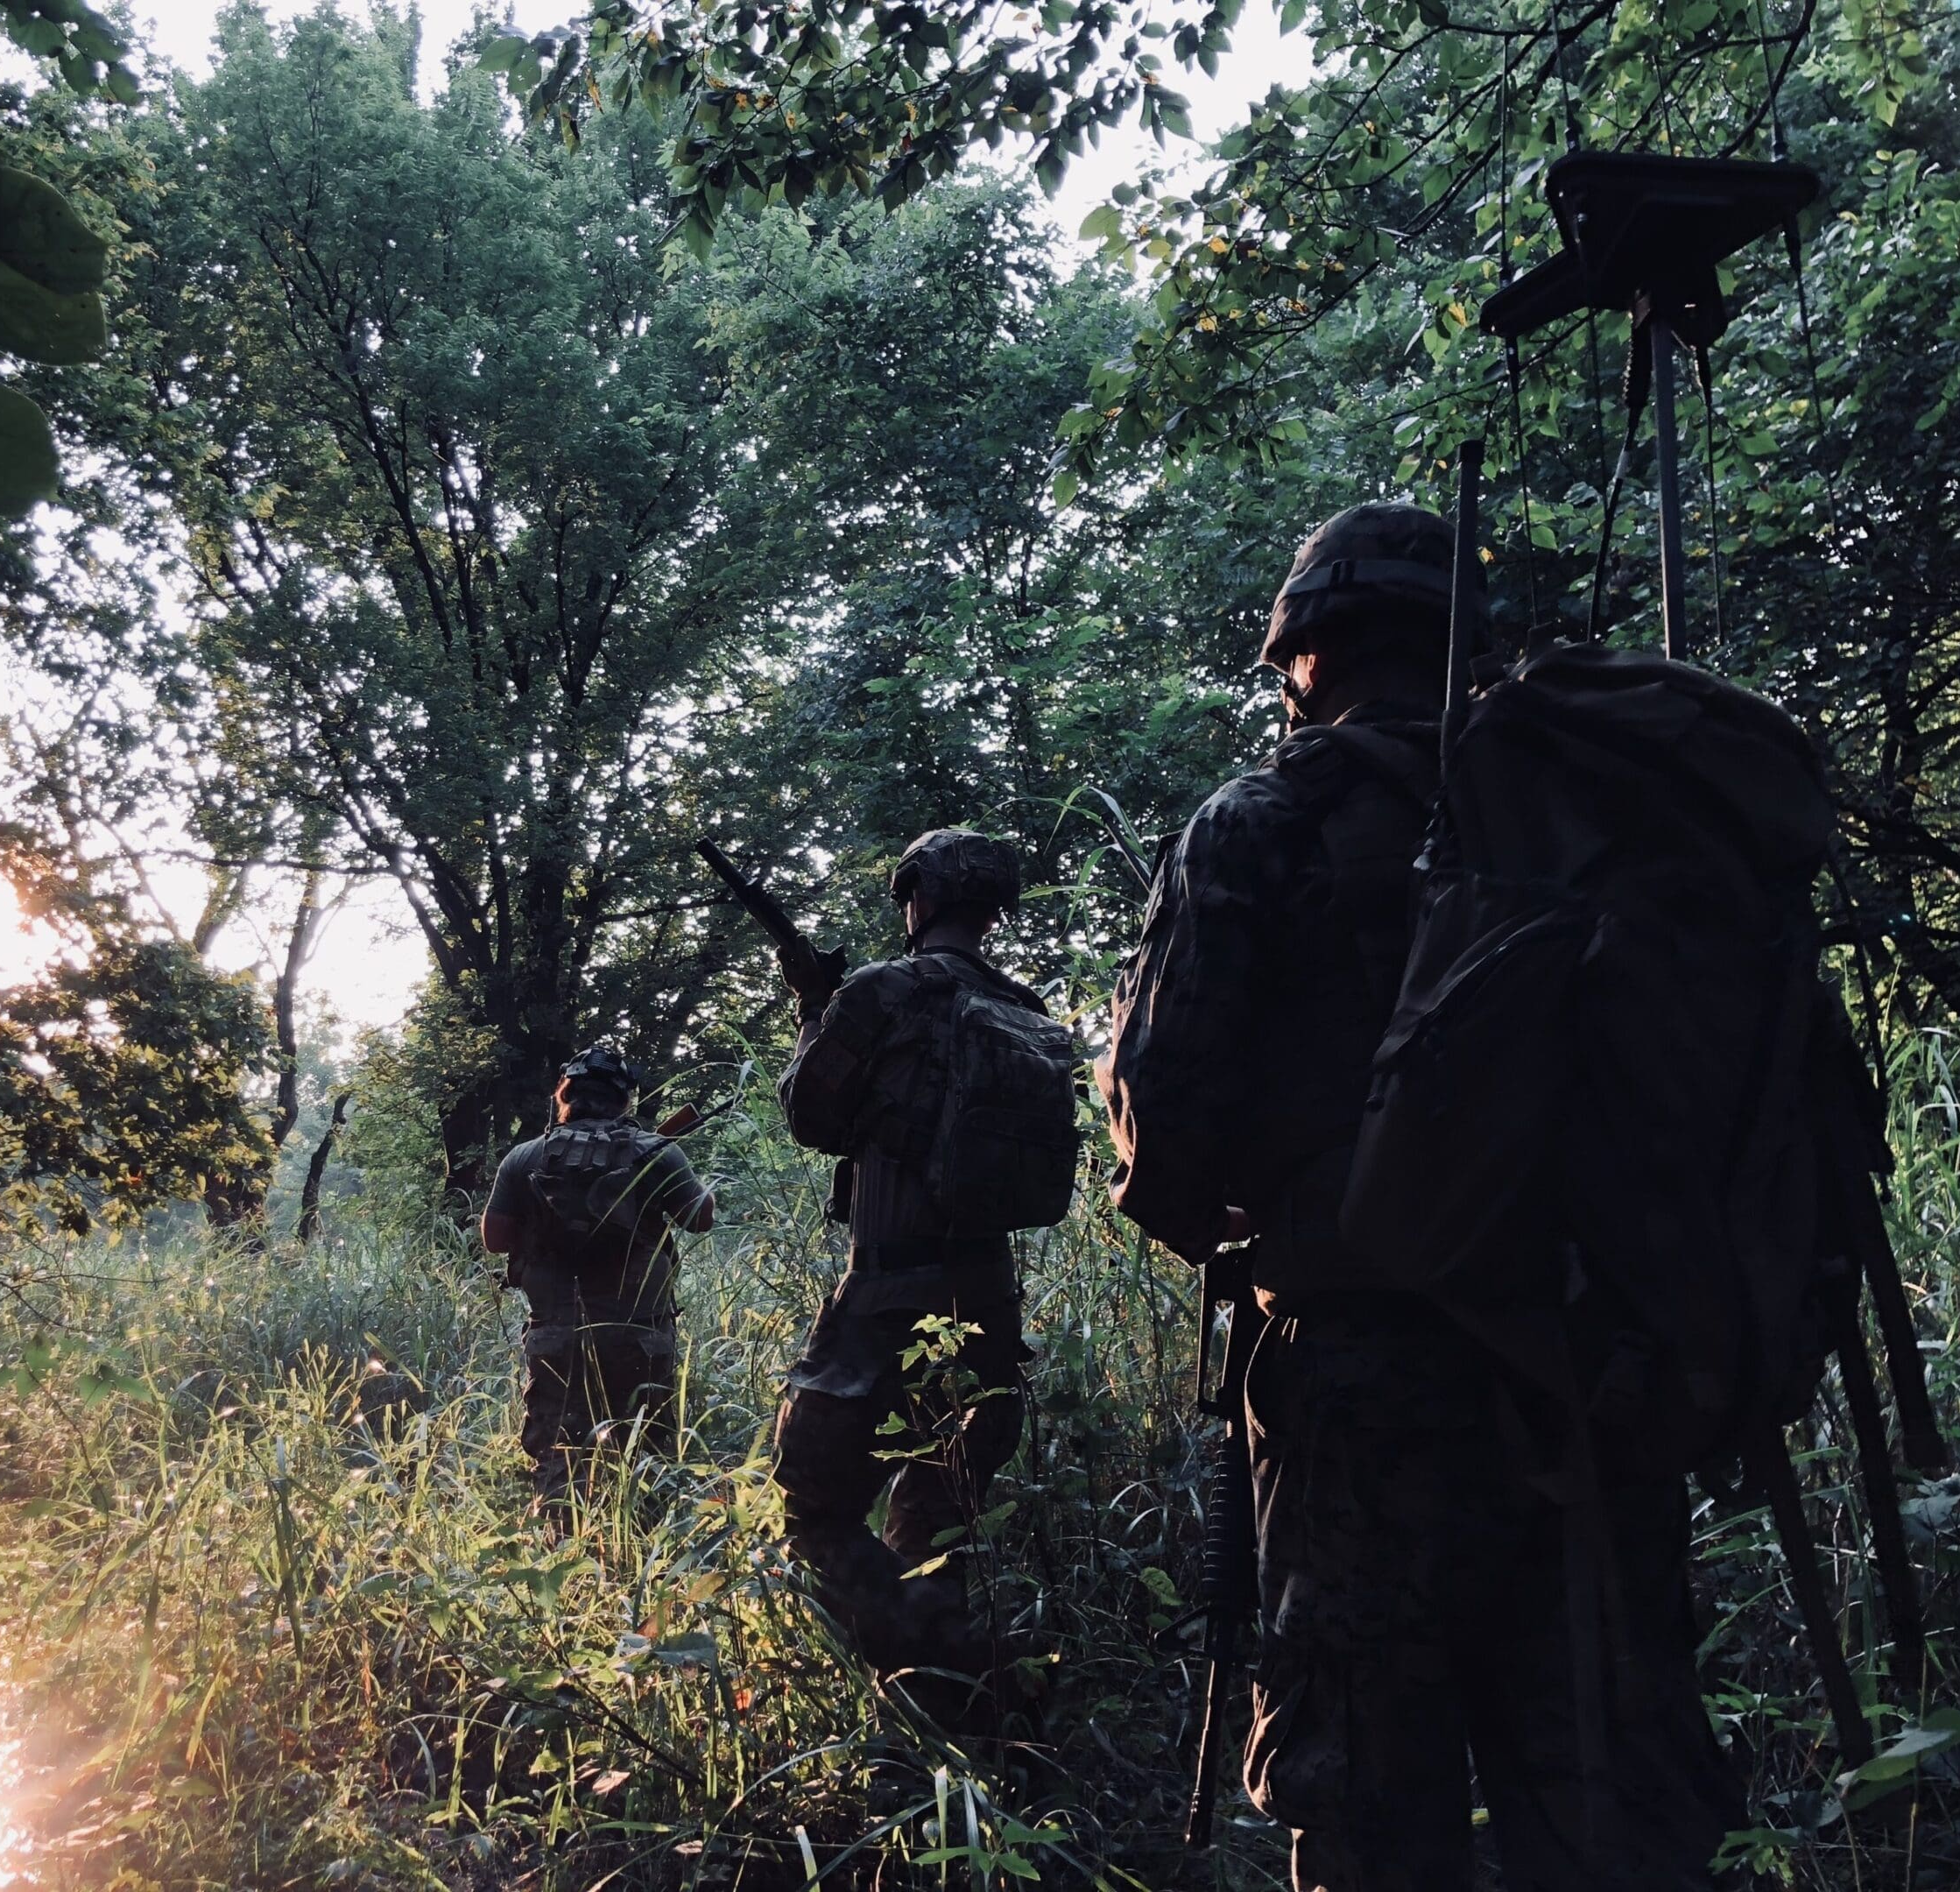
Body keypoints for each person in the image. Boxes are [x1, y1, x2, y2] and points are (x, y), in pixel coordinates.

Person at [1099, 505, 1744, 1891]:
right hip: (1597, 1372)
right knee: (1610, 1792)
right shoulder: (1596, 817)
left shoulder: (1267, 816)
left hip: (1361, 1390)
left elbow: (1161, 1140)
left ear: (1306, 654)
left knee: (1369, 1796)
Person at [772, 829, 1078, 1715]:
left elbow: (810, 1115)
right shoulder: (1027, 1012)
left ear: (920, 898)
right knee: (938, 1527)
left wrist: (813, 1012)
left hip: (883, 1299)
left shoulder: (882, 991)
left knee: (814, 1511)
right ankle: (950, 1726)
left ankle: (960, 1686)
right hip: (989, 1302)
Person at [482, 1046, 715, 1505]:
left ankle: (561, 1554)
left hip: (557, 1336)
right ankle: (642, 1561)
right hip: (639, 1336)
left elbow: (494, 1238)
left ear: (563, 1095)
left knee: (559, 1458)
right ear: (624, 1100)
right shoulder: (657, 1153)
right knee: (643, 1457)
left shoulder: (524, 1157)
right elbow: (699, 1218)